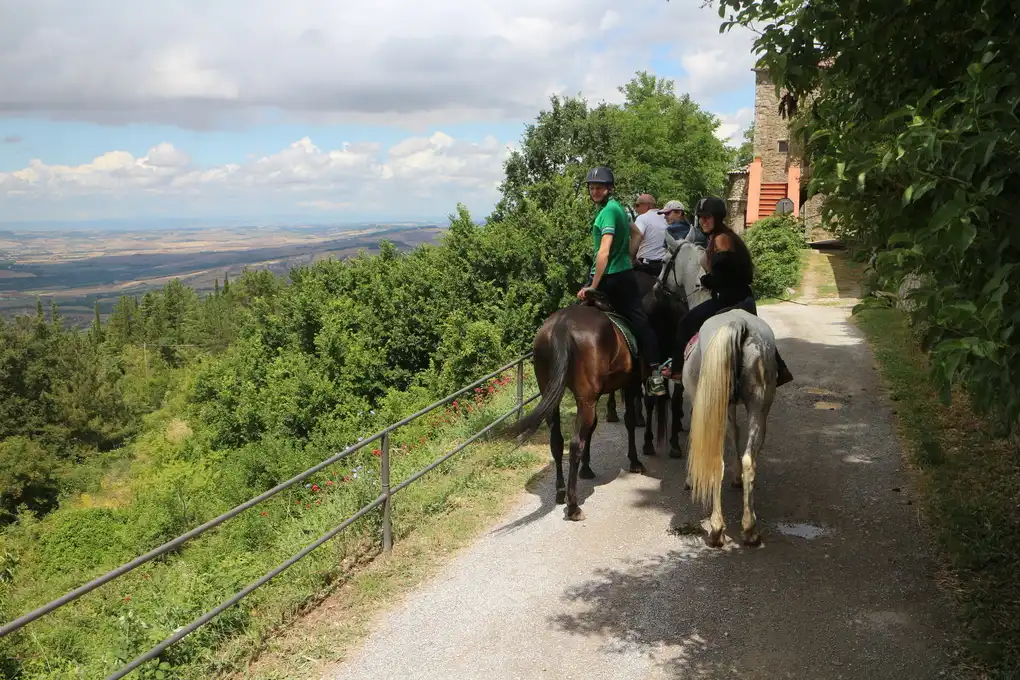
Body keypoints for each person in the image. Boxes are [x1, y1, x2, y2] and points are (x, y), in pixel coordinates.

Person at [664, 196, 794, 386]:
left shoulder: (721, 239)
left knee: (685, 322)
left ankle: (676, 370)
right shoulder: (725, 236)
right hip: (745, 298)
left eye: (707, 217)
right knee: (758, 332)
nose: (703, 221)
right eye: (700, 217)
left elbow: (722, 274)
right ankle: (781, 369)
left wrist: (707, 280)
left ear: (717, 218)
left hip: (728, 299)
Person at [577, 166, 668, 397]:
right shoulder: (618, 208)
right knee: (639, 321)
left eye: (599, 187)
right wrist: (629, 258)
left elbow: (603, 253)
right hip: (624, 273)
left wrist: (593, 286)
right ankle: (655, 374)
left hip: (610, 278)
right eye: (592, 187)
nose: (595, 191)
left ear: (609, 189)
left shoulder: (606, 212)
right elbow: (637, 234)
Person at [630, 193, 669, 277]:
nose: (635, 209)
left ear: (647, 206)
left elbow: (637, 236)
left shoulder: (643, 218)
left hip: (645, 267)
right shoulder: (666, 218)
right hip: (664, 267)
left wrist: (631, 259)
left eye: (637, 205)